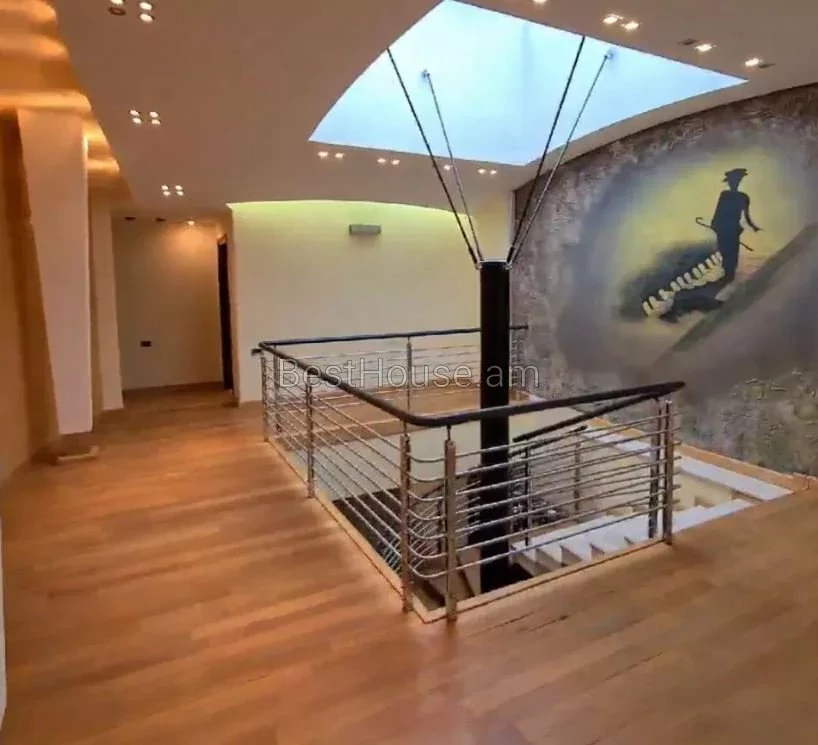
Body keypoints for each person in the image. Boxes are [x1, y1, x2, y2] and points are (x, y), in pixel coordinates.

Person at [710, 168, 762, 283]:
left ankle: (729, 275)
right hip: (724, 227)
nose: (733, 183)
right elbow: (718, 210)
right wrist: (714, 222)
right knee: (725, 250)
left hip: (731, 228)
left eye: (735, 181)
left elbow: (746, 215)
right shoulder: (725, 195)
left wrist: (753, 226)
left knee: (731, 251)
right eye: (732, 181)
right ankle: (727, 273)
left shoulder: (743, 197)